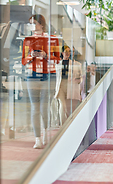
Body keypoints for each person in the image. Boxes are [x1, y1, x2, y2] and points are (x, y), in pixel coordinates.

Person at [22, 14, 60, 149]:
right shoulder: (27, 40)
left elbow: (57, 59)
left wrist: (46, 55)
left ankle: (46, 133)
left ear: (41, 25)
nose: (32, 26)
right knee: (35, 108)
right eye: (30, 24)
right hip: (32, 76)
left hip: (49, 76)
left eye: (34, 23)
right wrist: (31, 57)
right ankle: (37, 138)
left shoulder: (53, 39)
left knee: (44, 108)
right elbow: (23, 61)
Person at [54, 45, 83, 125]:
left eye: (69, 52)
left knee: (68, 108)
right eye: (66, 52)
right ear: (62, 53)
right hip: (61, 86)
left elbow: (81, 78)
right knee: (62, 106)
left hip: (71, 86)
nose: (68, 53)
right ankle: (63, 125)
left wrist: (78, 80)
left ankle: (68, 124)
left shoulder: (76, 64)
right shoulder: (58, 64)